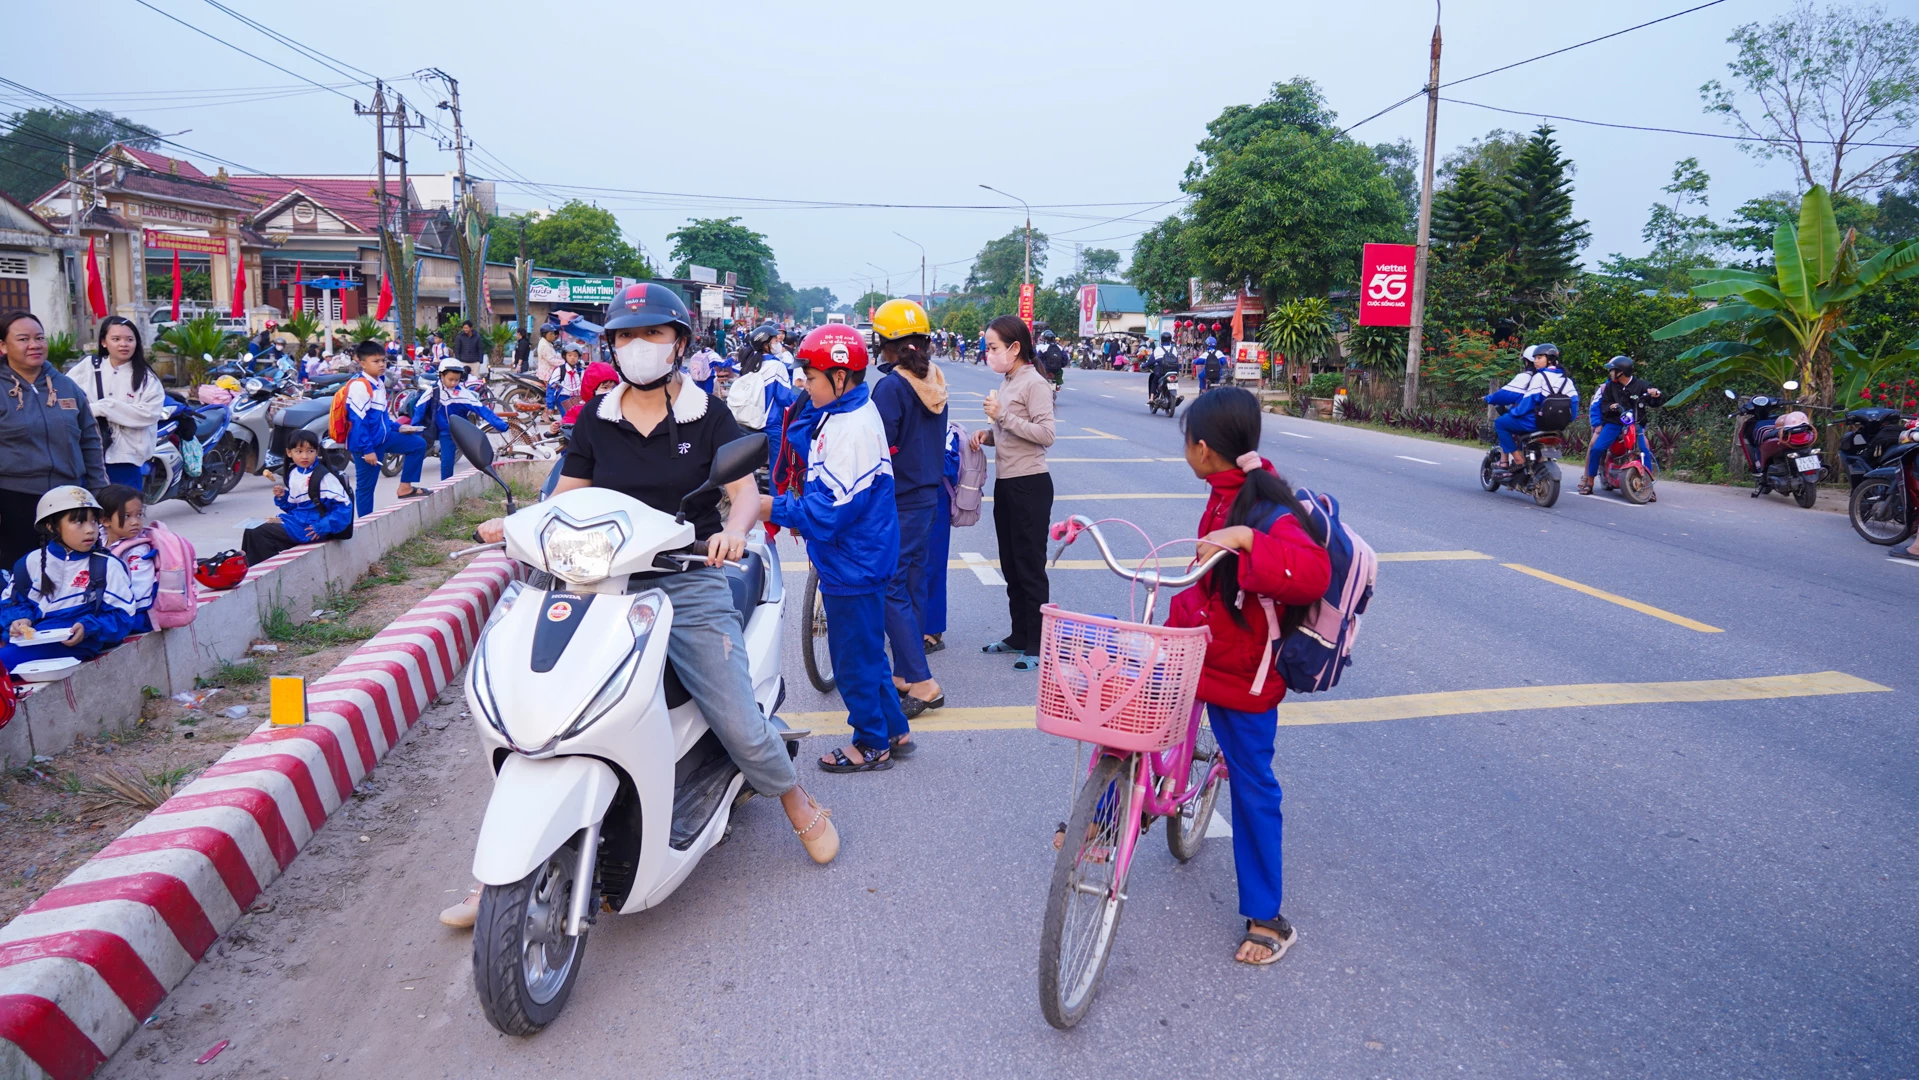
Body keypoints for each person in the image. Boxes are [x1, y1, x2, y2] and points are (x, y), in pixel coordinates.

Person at [470, 281, 837, 882]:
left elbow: (742, 494)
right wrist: (512, 523)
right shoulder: (597, 417)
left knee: (739, 720)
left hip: (684, 575)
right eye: (625, 336)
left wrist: (734, 531)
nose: (639, 345)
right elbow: (564, 498)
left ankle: (795, 797)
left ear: (678, 343)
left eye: (653, 333)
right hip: (600, 577)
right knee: (540, 703)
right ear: (611, 347)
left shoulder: (707, 413)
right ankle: (501, 871)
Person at [1166, 387, 1331, 965]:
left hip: (1243, 674)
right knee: (1131, 714)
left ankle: (1268, 917)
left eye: (1186, 442)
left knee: (1253, 783)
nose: (1185, 451)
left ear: (1204, 448)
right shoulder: (1222, 490)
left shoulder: (1267, 508)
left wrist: (1245, 539)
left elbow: (1312, 572)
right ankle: (1104, 821)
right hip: (1198, 645)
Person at [762, 323, 910, 772]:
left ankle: (871, 743)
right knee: (867, 653)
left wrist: (769, 505)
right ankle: (894, 728)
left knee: (853, 661)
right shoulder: (842, 412)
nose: (803, 385)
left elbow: (828, 513)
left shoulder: (851, 431)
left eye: (810, 377)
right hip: (858, 556)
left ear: (840, 378)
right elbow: (806, 445)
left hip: (855, 561)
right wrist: (803, 409)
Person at [870, 299, 948, 729]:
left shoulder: (892, 387)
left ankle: (920, 681)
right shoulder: (934, 379)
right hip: (928, 496)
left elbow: (878, 446)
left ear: (884, 343)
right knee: (912, 582)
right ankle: (903, 669)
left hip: (900, 498)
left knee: (888, 585)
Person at [972, 315, 1054, 671]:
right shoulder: (1008, 381)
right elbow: (1008, 431)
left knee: (1030, 565)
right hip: (1006, 483)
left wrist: (1002, 417)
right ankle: (1018, 635)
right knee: (1010, 563)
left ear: (1015, 347)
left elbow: (1046, 435)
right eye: (987, 348)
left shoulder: (1034, 383)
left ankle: (1037, 643)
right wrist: (986, 435)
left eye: (993, 348)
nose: (989, 354)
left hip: (1030, 484)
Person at [0, 312, 106, 568]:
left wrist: (99, 491)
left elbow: (90, 440)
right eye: (23, 339)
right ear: (3, 346)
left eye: (39, 338)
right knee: (19, 576)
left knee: (72, 575)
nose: (34, 345)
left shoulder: (66, 386)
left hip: (69, 500)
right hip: (14, 502)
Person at [0, 486, 137, 672]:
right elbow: (12, 602)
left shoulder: (107, 566)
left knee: (4, 664)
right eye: (79, 522)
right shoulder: (29, 562)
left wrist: (88, 627)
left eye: (94, 522)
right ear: (52, 527)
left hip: (77, 644)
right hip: (30, 642)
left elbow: (123, 616)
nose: (90, 530)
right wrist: (20, 620)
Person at [71, 316, 166, 489]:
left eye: (130, 339)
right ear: (104, 342)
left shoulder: (147, 378)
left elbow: (148, 414)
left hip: (126, 458)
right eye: (116, 339)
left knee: (124, 512)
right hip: (89, 455)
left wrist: (103, 408)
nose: (124, 344)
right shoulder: (88, 367)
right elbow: (66, 396)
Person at [241, 431, 353, 564]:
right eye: (299, 451)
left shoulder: (324, 477)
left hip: (311, 529)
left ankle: (269, 575)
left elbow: (345, 509)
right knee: (251, 529)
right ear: (289, 453)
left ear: (316, 452)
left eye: (310, 451)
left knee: (260, 533)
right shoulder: (294, 473)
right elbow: (296, 506)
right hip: (297, 522)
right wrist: (283, 497)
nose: (305, 456)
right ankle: (250, 570)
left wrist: (322, 526)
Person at [344, 339, 429, 515]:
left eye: (383, 360)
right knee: (366, 488)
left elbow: (381, 417)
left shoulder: (379, 382)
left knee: (418, 445)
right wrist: (367, 450)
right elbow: (357, 423)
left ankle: (405, 487)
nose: (382, 365)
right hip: (366, 444)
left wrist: (398, 428)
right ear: (362, 363)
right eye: (376, 361)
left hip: (383, 437)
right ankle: (365, 525)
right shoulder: (360, 386)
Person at [1485, 343, 1578, 472]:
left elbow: (1527, 403)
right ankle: (1537, 462)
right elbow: (1574, 408)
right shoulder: (1567, 380)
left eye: (1539, 358)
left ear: (1550, 359)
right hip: (1558, 426)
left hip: (1535, 423)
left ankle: (1518, 459)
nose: (1536, 361)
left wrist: (1514, 412)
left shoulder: (1539, 377)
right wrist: (1568, 420)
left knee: (1501, 423)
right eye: (1535, 358)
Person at [1582, 355, 1663, 498]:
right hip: (1614, 424)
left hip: (1634, 424)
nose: (1610, 373)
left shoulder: (1642, 385)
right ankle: (1589, 482)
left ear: (1621, 372)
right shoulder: (1610, 387)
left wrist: (1655, 394)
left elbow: (1655, 400)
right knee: (1597, 448)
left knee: (1644, 450)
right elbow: (1603, 405)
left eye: (1612, 370)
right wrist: (1610, 407)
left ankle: (1648, 487)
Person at [414, 360, 509, 482]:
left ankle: (491, 481)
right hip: (445, 432)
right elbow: (419, 410)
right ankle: (446, 487)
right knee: (447, 462)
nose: (453, 383)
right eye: (450, 379)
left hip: (462, 432)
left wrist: (501, 425)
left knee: (479, 456)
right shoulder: (433, 391)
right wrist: (414, 430)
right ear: (441, 376)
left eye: (457, 380)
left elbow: (482, 410)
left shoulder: (463, 393)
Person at [921, 422, 960, 654]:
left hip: (933, 496)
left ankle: (932, 629)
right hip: (904, 496)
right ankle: (908, 624)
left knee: (932, 563)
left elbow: (950, 466)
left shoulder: (944, 428)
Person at [97, 484, 156, 633]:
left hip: (135, 613)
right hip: (110, 607)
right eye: (127, 516)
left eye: (139, 515)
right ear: (105, 521)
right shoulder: (97, 539)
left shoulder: (138, 550)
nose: (135, 522)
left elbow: (141, 591)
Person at [546, 343, 587, 411]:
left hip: (577, 398)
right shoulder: (560, 370)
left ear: (578, 358)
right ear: (565, 356)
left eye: (575, 356)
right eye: (569, 355)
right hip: (563, 398)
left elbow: (587, 385)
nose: (572, 358)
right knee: (567, 418)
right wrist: (550, 406)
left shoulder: (580, 371)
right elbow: (551, 388)